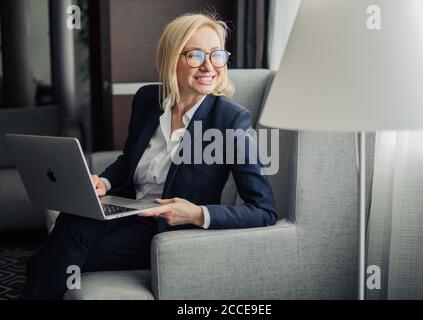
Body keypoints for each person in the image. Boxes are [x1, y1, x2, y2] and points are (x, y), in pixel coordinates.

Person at [21, 12, 277, 300]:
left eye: (217, 54)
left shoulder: (230, 120)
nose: (209, 66)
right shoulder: (147, 100)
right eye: (195, 55)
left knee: (48, 259)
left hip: (165, 228)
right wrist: (104, 183)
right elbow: (128, 161)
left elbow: (263, 210)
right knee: (70, 223)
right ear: (171, 58)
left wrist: (196, 213)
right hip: (126, 206)